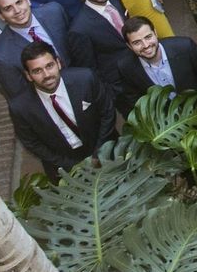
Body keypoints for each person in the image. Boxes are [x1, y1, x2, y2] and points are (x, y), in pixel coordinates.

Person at [7, 42, 118, 179]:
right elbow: (32, 143)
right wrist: (71, 165)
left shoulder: (85, 79)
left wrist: (98, 153)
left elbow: (107, 113)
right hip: (64, 166)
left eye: (49, 66)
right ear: (28, 75)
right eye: (37, 71)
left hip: (105, 149)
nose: (46, 75)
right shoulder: (20, 107)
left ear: (58, 63)